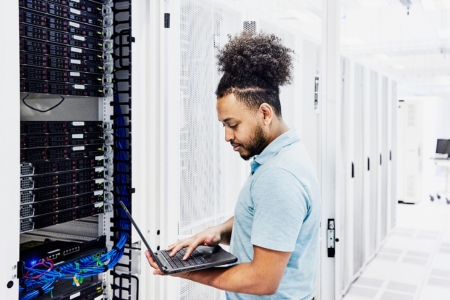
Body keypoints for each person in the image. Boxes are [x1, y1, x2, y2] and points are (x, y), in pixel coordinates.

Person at [146, 31, 320, 300]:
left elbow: (262, 281)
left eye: (232, 124)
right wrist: (217, 232)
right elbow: (267, 221)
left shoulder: (279, 177)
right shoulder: (284, 155)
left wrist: (185, 272)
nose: (227, 136)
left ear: (264, 113)